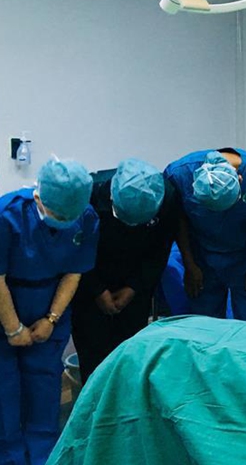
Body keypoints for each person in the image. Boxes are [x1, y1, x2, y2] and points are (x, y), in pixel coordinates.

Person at [0, 158, 99, 464]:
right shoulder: (7, 215)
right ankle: (10, 455)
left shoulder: (87, 217)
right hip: (6, 302)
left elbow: (74, 271)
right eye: (57, 215)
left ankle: (46, 456)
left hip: (50, 303)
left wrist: (51, 319)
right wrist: (13, 327)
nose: (66, 221)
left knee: (44, 389)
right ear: (38, 198)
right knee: (5, 391)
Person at [70, 159, 178, 382]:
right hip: (90, 278)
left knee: (130, 352)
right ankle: (95, 411)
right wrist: (97, 290)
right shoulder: (86, 195)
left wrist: (134, 287)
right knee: (93, 356)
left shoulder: (166, 196)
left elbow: (160, 249)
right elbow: (76, 249)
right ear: (111, 198)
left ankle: (128, 410)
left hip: (135, 282)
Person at [164, 148, 246, 322]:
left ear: (240, 179)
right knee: (204, 325)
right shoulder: (179, 174)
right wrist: (189, 265)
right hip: (201, 258)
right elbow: (177, 221)